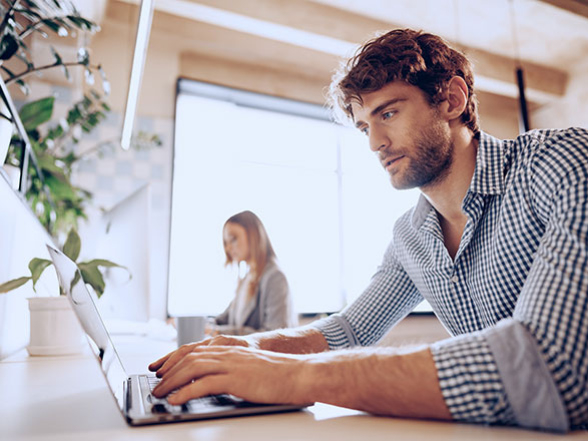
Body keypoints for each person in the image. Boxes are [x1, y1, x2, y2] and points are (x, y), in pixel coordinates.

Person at [149, 29, 588, 432]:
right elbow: (347, 331)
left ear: (452, 100)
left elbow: (551, 362)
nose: (374, 142)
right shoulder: (411, 236)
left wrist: (295, 377)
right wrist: (243, 351)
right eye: (364, 126)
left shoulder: (560, 163)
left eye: (389, 113)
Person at [211, 210, 297, 335]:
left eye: (233, 239)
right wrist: (203, 324)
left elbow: (276, 335)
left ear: (254, 236)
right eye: (226, 243)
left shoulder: (275, 277)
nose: (228, 248)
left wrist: (218, 331)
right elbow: (224, 319)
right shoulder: (247, 277)